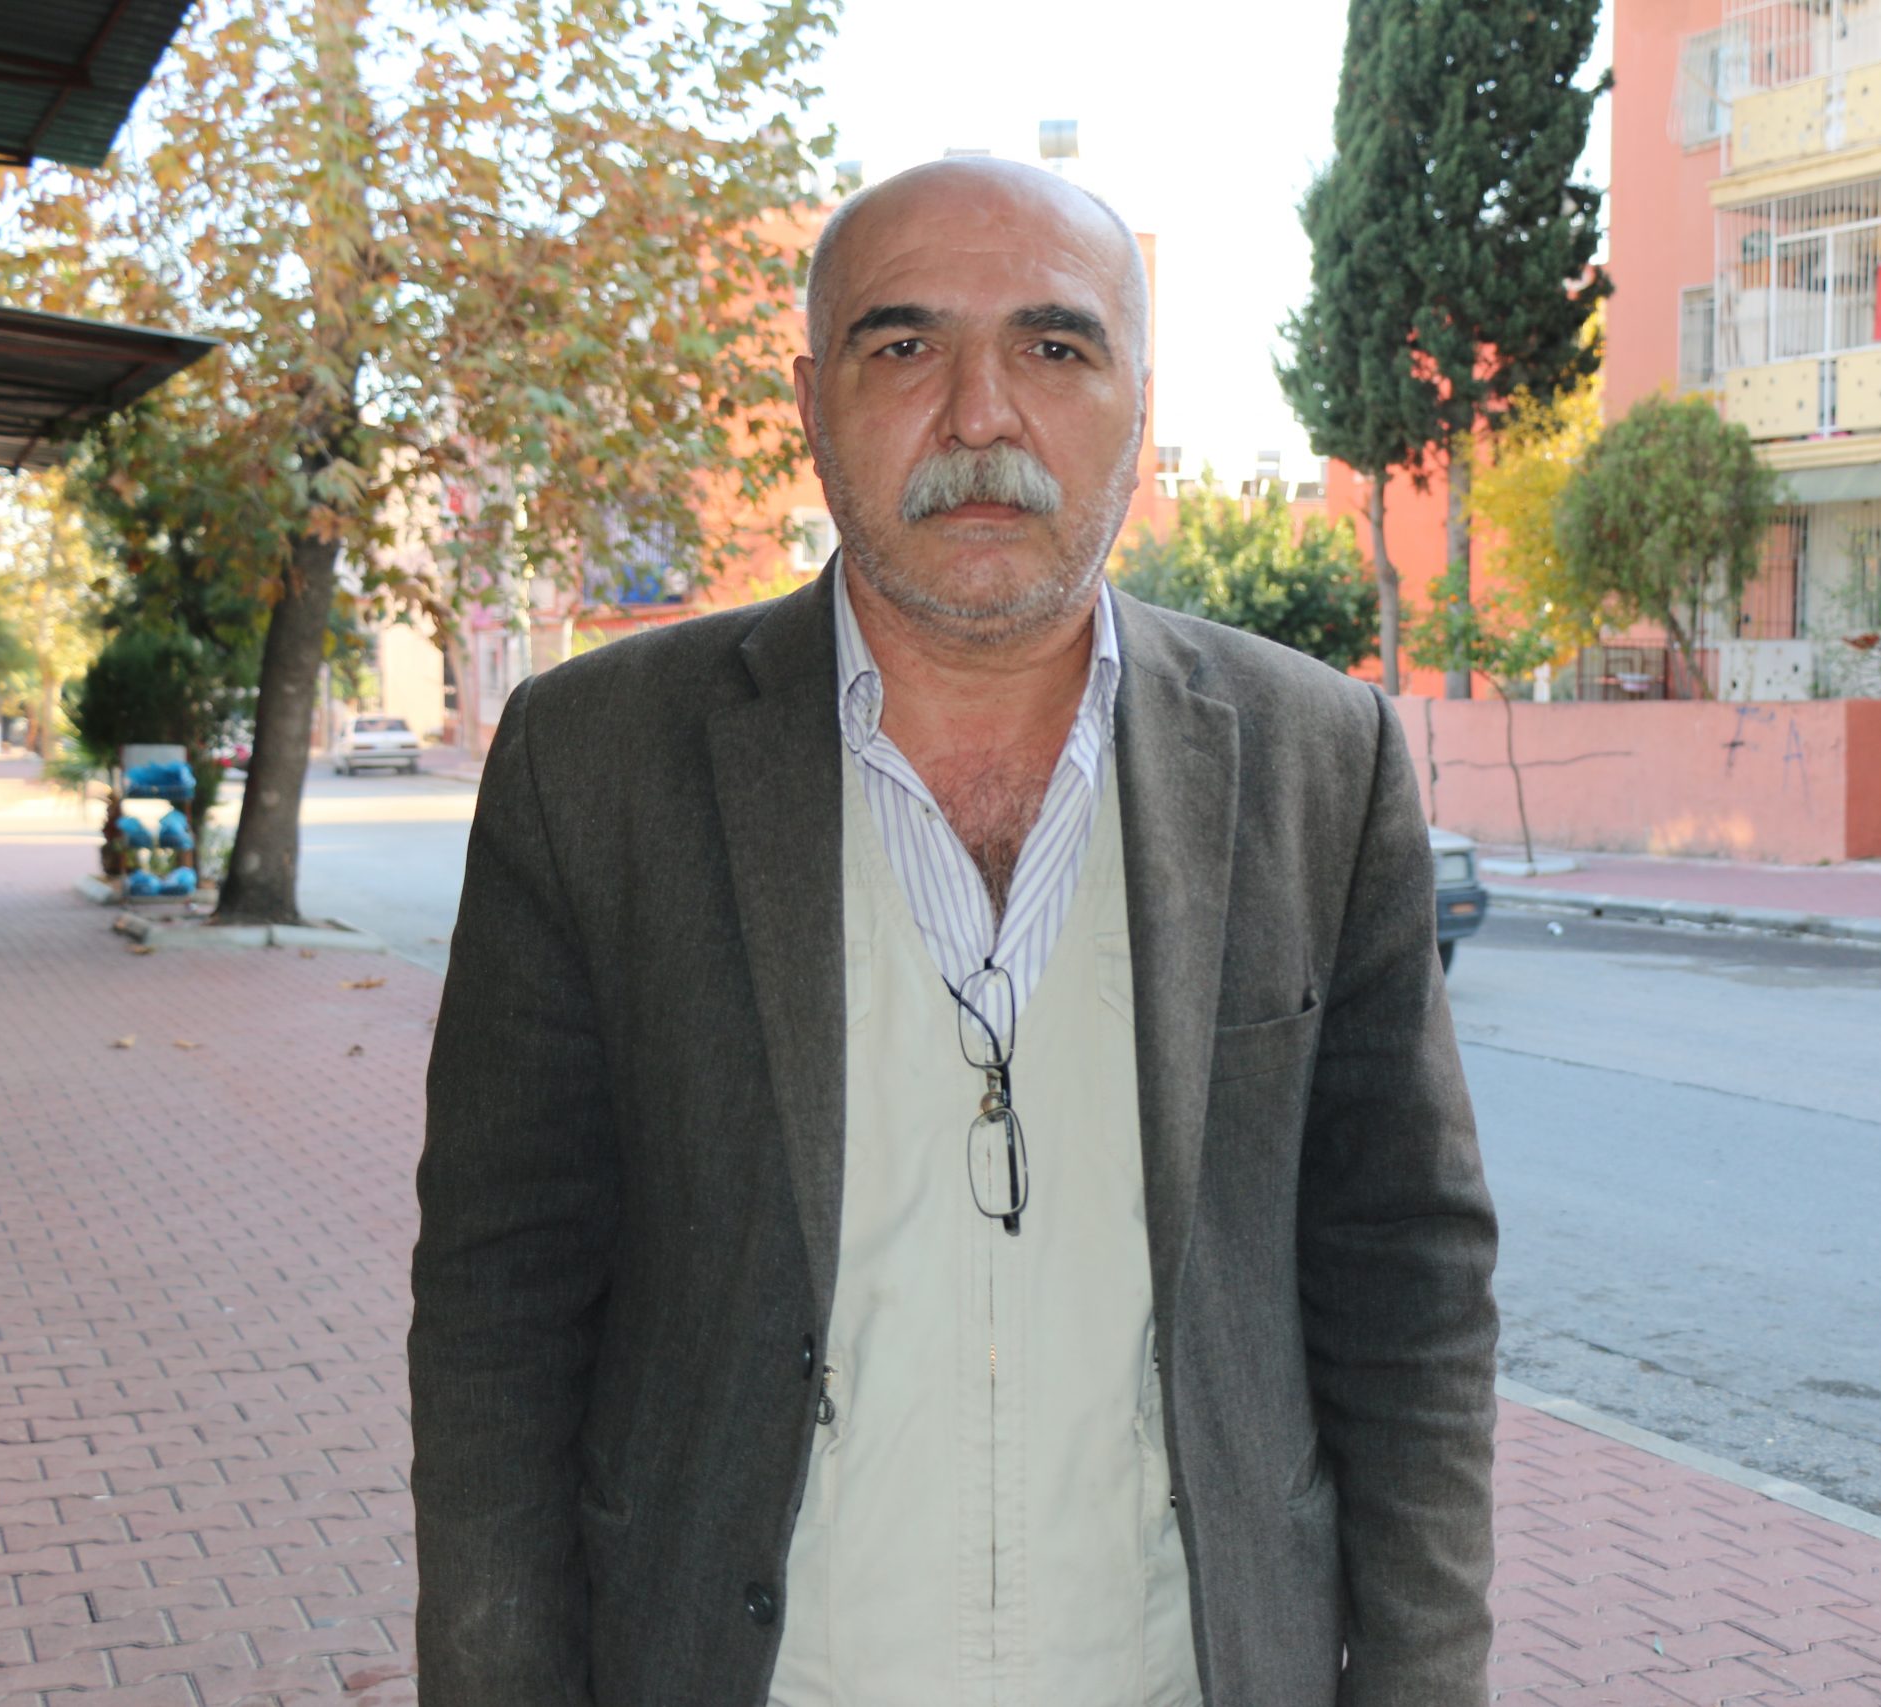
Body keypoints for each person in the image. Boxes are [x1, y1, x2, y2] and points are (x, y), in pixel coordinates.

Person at [409, 157, 1497, 1707]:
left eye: (1054, 346)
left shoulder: (1320, 762)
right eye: (905, 344)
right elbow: (499, 1311)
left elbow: (1411, 1290)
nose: (982, 415)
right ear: (813, 402)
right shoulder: (596, 763)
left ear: (1137, 403)